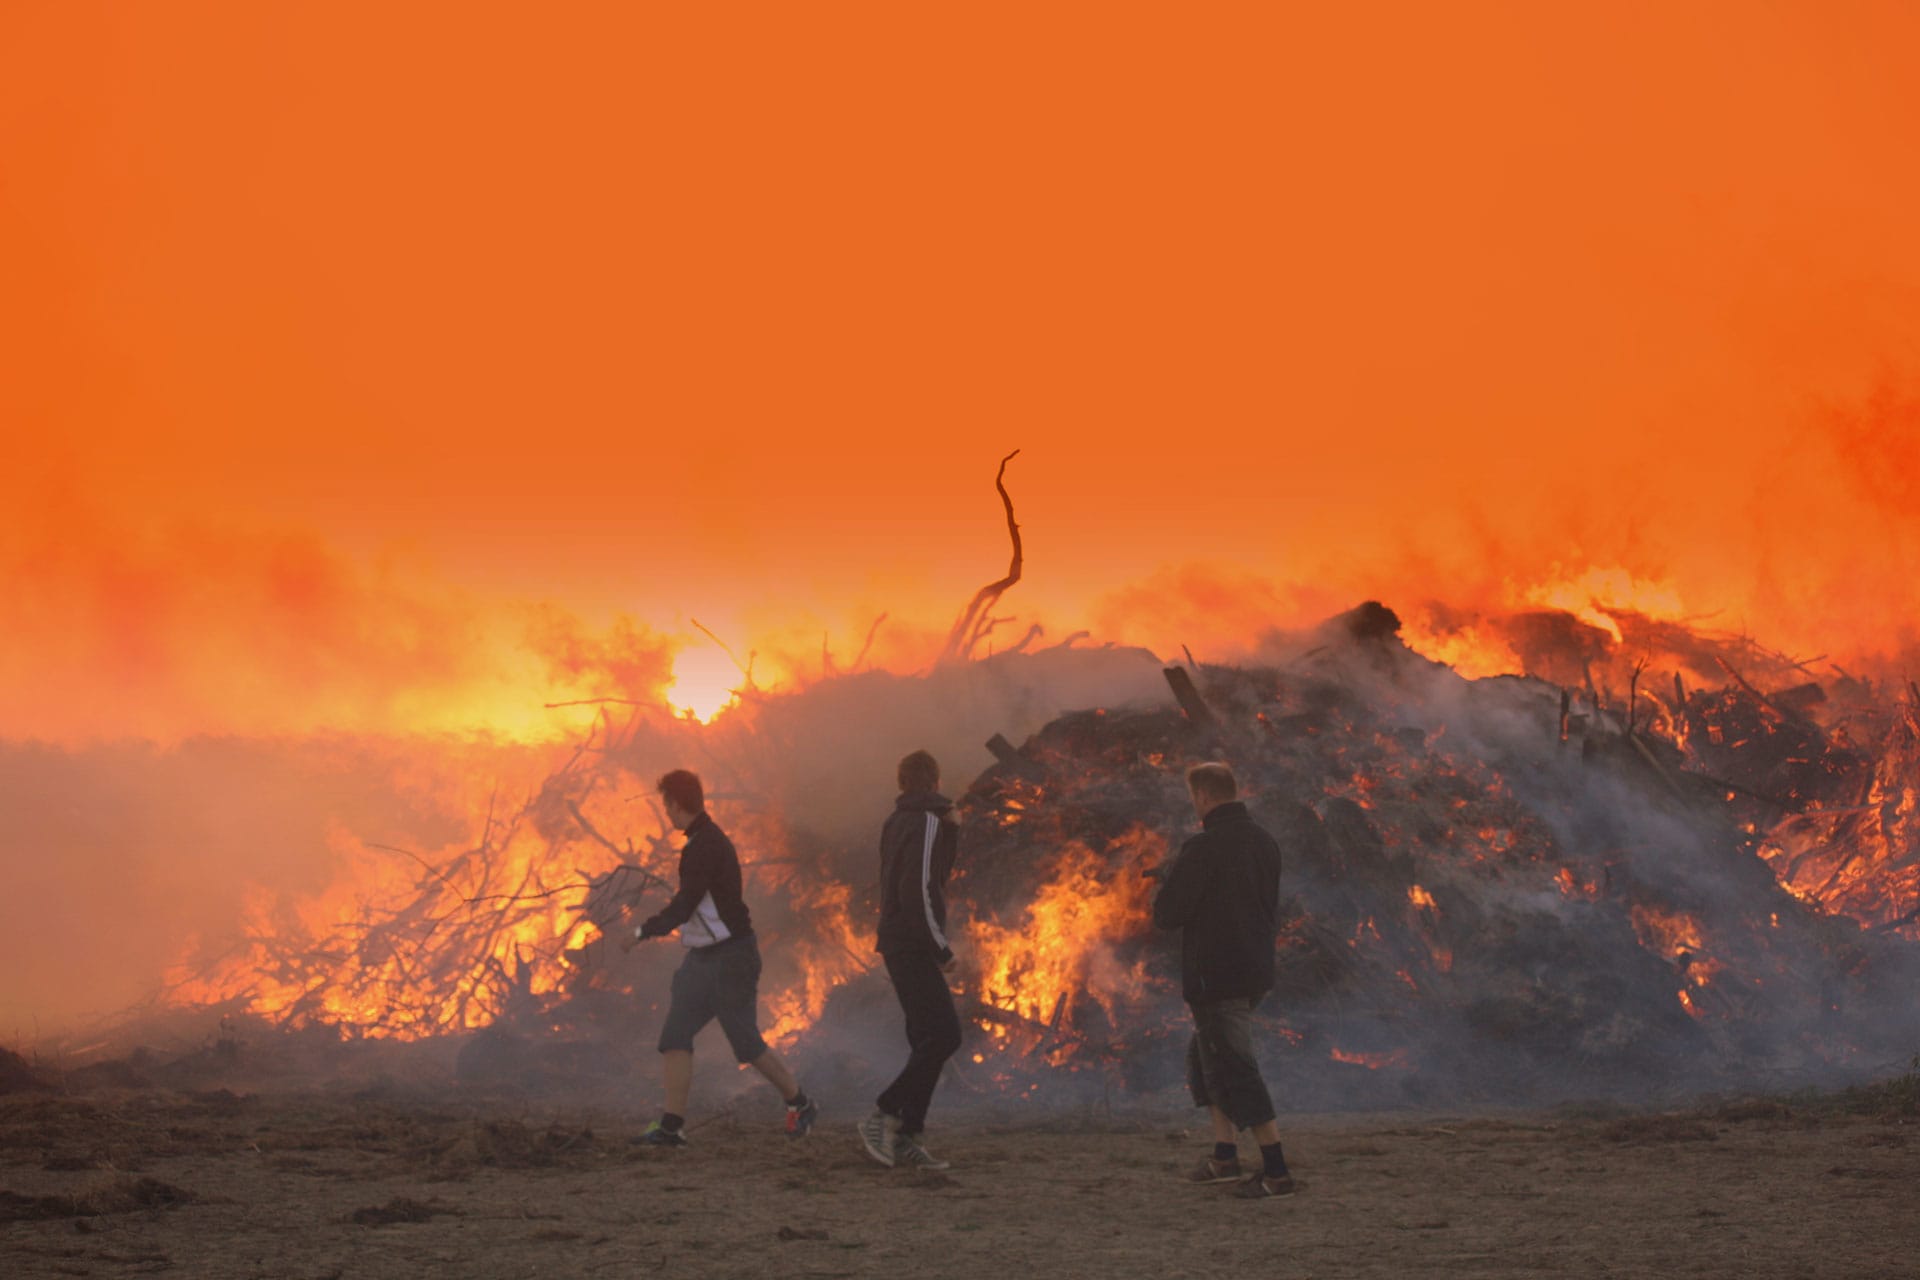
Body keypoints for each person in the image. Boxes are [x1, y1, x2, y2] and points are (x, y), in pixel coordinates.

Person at [625, 769, 818, 1146]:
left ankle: (801, 1103)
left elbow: (685, 905)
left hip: (732, 958)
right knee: (675, 1035)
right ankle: (670, 1126)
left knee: (745, 1043)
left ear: (676, 805)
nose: (665, 812)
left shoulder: (705, 846)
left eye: (665, 805)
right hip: (702, 959)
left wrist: (640, 932)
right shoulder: (700, 841)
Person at [1151, 761, 1296, 1199]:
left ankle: (1276, 1172)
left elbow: (1167, 915)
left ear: (1205, 797)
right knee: (1206, 1060)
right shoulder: (1265, 842)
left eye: (1195, 797)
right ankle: (1225, 1157)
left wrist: (1168, 881)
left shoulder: (1204, 847)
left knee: (1234, 1068)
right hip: (1254, 972)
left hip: (1217, 976)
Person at [857, 749, 964, 1170]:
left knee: (926, 1039)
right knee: (944, 1037)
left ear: (902, 784)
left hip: (899, 942)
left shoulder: (897, 820)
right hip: (912, 943)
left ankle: (908, 1136)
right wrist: (941, 947)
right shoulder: (925, 822)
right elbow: (918, 888)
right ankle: (883, 1115)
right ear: (935, 782)